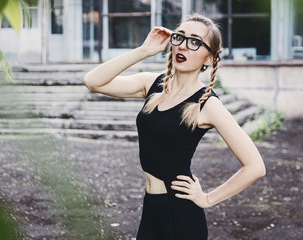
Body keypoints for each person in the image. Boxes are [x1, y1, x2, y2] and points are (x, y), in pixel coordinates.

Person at [84, 14, 266, 240]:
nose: (184, 46)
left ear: (208, 58)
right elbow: (93, 81)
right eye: (179, 37)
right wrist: (143, 51)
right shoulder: (153, 84)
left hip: (180, 213)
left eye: (195, 42)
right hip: (151, 207)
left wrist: (208, 198)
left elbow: (255, 166)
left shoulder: (207, 104)